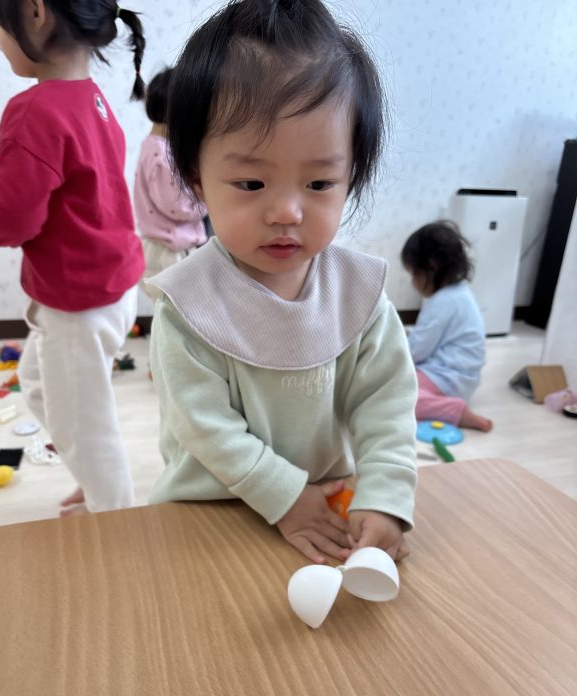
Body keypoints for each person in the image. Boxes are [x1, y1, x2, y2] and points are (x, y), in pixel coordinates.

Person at [149, 0, 418, 565]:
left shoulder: (358, 293)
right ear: (197, 177)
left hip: (326, 511)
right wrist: (285, 497)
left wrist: (387, 495)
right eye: (251, 183)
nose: (287, 212)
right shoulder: (189, 302)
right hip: (207, 517)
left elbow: (386, 402)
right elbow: (204, 425)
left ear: (351, 176)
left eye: (320, 183)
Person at [0, 0, 146, 515]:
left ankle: (114, 515)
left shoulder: (34, 110)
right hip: (108, 286)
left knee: (85, 426)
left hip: (79, 302)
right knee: (37, 384)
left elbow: (11, 222)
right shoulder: (90, 98)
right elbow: (66, 190)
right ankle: (94, 481)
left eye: (0, 24)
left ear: (35, 13)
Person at [401, 220, 493, 431]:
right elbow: (436, 336)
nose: (413, 283)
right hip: (462, 378)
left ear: (431, 267)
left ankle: (455, 411)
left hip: (447, 378)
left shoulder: (442, 301)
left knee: (396, 394)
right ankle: (445, 403)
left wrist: (397, 346)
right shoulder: (460, 293)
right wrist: (411, 334)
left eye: (414, 274)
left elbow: (415, 353)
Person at [134, 68, 208, 302]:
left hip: (165, 247)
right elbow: (177, 206)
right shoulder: (161, 154)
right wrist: (209, 201)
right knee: (178, 308)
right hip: (168, 251)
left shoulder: (156, 147)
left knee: (173, 308)